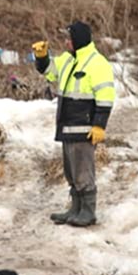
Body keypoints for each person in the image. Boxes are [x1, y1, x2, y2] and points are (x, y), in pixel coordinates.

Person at [33, 21, 116, 227]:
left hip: (84, 129)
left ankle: (88, 211)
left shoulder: (97, 63)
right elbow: (48, 72)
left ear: (78, 39)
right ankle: (75, 208)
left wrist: (99, 125)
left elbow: (106, 96)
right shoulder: (67, 60)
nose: (66, 42)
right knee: (71, 172)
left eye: (68, 38)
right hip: (67, 127)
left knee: (83, 172)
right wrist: (42, 57)